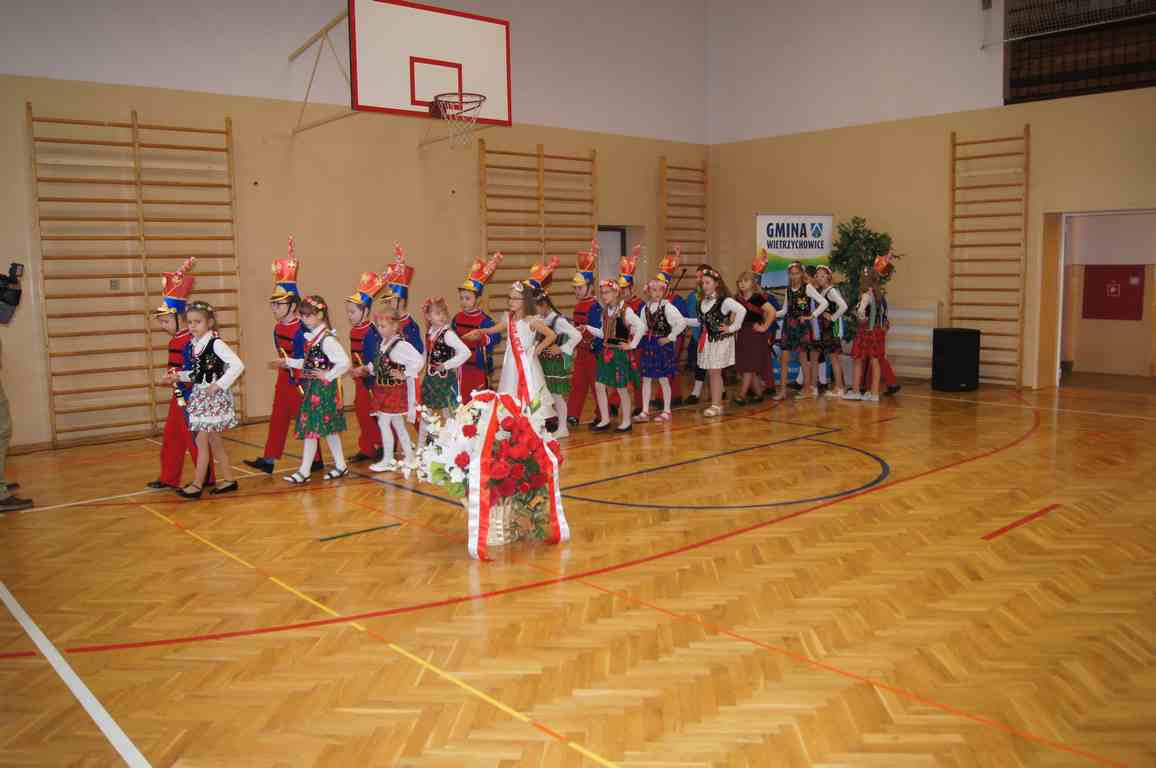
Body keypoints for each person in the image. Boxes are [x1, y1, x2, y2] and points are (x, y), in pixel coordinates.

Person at [244, 237, 324, 475]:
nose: (274, 308)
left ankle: (317, 459)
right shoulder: (278, 327)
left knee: (306, 420)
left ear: (293, 305)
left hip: (303, 381)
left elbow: (311, 358)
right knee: (277, 418)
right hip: (284, 378)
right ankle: (269, 459)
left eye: (279, 305)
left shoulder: (304, 328)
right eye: (273, 304)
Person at [171, 301, 244, 498]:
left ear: (209, 322)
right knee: (214, 440)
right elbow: (198, 374)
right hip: (201, 396)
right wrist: (179, 376)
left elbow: (238, 365)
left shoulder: (216, 343)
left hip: (212, 399)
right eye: (190, 322)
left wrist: (219, 384)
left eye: (198, 322)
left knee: (201, 441)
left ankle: (197, 485)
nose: (193, 326)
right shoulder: (195, 344)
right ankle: (229, 480)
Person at [148, 257, 207, 490]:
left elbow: (197, 371)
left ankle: (207, 477)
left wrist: (176, 378)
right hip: (178, 394)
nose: (162, 326)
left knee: (194, 438)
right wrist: (169, 378)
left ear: (178, 317)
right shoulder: (176, 339)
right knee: (172, 436)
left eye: (165, 321)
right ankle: (168, 477)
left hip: (192, 396)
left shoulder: (191, 341)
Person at [282, 295, 351, 483]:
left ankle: (305, 471)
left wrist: (327, 375)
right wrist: (288, 362)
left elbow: (345, 362)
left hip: (323, 391)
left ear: (320, 314)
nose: (304, 319)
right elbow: (310, 364)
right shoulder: (315, 338)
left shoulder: (327, 340)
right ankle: (340, 465)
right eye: (302, 315)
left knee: (314, 429)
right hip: (315, 389)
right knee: (327, 430)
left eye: (308, 315)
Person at [361, 303, 424, 473]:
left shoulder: (401, 345)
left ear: (395, 326)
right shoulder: (383, 343)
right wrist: (366, 369)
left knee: (384, 422)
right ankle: (410, 458)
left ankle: (388, 459)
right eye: (378, 326)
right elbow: (380, 364)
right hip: (383, 390)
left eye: (383, 326)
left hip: (394, 391)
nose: (380, 329)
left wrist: (405, 374)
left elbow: (419, 361)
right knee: (398, 425)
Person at [491, 263, 558, 410]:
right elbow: (495, 329)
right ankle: (512, 416)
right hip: (511, 363)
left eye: (515, 298)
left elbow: (551, 335)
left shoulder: (531, 320)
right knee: (510, 390)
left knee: (531, 391)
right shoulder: (509, 318)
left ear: (525, 301)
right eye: (510, 298)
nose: (511, 301)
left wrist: (537, 349)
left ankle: (532, 418)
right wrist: (482, 332)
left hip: (527, 363)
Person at [584, 278, 644, 432]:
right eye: (602, 293)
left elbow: (641, 326)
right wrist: (587, 328)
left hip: (619, 354)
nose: (604, 296)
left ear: (616, 293)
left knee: (622, 388)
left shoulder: (625, 310)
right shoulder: (605, 312)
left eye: (607, 292)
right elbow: (603, 333)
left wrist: (632, 345)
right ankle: (605, 419)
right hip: (606, 353)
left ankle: (626, 422)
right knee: (599, 385)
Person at [686, 267, 746, 417]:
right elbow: (700, 321)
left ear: (716, 284)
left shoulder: (724, 301)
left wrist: (732, 328)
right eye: (703, 283)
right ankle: (717, 404)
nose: (704, 285)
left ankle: (716, 405)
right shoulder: (702, 301)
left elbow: (742, 310)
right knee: (712, 372)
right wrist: (682, 320)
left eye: (707, 282)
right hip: (707, 340)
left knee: (714, 371)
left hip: (720, 340)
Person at [345, 270, 387, 463]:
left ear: (365, 311)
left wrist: (363, 370)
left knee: (375, 414)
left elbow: (378, 358)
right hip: (359, 380)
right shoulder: (354, 330)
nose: (349, 315)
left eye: (352, 312)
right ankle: (367, 447)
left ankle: (383, 445)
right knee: (362, 414)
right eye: (348, 312)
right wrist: (351, 368)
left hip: (372, 381)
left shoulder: (372, 331)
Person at [417, 297, 471, 447]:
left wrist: (447, 365)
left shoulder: (448, 334)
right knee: (425, 414)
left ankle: (454, 446)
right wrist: (413, 370)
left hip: (445, 381)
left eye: (443, 313)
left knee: (450, 415)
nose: (441, 316)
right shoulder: (430, 333)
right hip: (431, 380)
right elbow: (425, 355)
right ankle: (420, 447)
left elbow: (466, 352)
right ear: (428, 316)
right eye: (437, 313)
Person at [637, 264, 687, 423]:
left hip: (662, 346)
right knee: (646, 378)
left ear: (664, 291)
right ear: (648, 291)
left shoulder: (668, 307)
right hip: (649, 345)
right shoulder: (645, 308)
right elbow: (642, 326)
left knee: (664, 379)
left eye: (660, 290)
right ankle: (645, 411)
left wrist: (670, 337)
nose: (657, 293)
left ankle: (667, 410)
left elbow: (681, 323)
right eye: (654, 290)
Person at [774, 262, 828, 400]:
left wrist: (812, 315)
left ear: (801, 274)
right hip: (788, 325)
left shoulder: (807, 287)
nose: (794, 276)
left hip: (802, 326)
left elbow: (824, 303)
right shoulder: (788, 290)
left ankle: (807, 389)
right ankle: (782, 391)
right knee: (784, 358)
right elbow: (784, 310)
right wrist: (771, 314)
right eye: (791, 274)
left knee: (803, 358)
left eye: (796, 273)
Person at [453, 252, 502, 403]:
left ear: (478, 300)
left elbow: (496, 337)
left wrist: (482, 337)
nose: (463, 301)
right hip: (462, 367)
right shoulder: (457, 318)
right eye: (461, 298)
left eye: (468, 298)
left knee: (479, 400)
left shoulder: (484, 320)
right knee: (463, 399)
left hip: (479, 368)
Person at [535, 287, 581, 438]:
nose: (535, 311)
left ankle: (563, 428)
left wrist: (561, 349)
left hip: (556, 364)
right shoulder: (541, 320)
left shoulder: (559, 321)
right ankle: (548, 424)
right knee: (546, 395)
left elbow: (577, 335)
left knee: (556, 395)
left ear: (544, 305)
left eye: (536, 307)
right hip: (544, 363)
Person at [567, 243, 602, 426]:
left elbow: (599, 332)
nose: (576, 291)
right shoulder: (578, 305)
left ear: (590, 287)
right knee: (578, 384)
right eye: (575, 288)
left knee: (597, 386)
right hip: (581, 352)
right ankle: (572, 414)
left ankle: (602, 414)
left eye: (579, 288)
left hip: (593, 353)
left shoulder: (595, 306)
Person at [733, 262, 776, 405]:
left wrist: (764, 327)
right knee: (747, 365)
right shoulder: (737, 299)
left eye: (745, 281)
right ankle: (758, 394)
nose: (742, 284)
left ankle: (742, 395)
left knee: (749, 366)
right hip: (742, 334)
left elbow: (772, 312)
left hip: (755, 335)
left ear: (753, 283)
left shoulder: (758, 298)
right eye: (740, 281)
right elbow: (733, 317)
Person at [846, 268, 885, 402]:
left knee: (857, 360)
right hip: (876, 331)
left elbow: (861, 313)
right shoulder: (878, 295)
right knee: (875, 361)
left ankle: (856, 391)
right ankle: (874, 393)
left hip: (865, 331)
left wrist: (859, 317)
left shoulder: (866, 295)